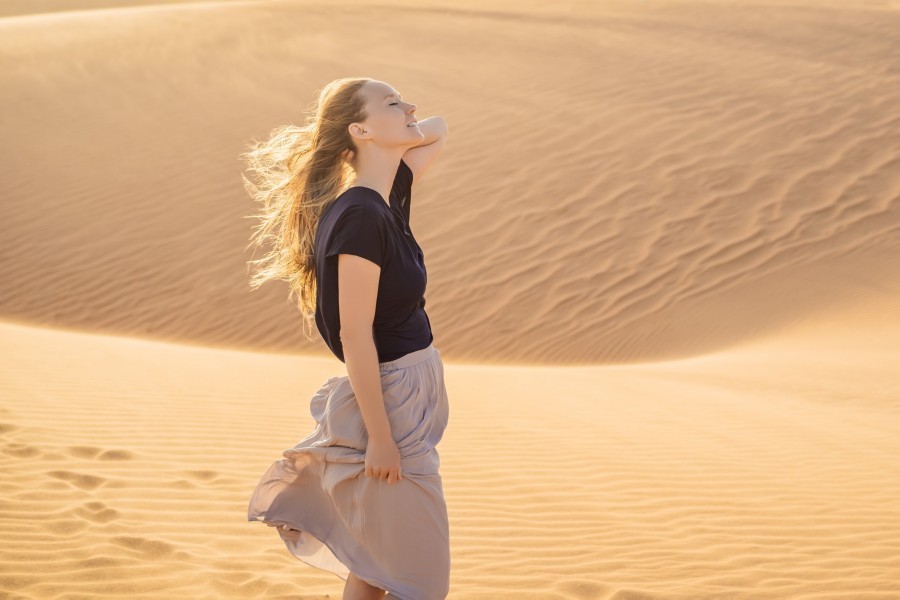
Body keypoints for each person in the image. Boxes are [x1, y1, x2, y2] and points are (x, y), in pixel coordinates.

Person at [240, 77, 451, 600]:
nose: (411, 107)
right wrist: (380, 436)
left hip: (410, 396)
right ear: (360, 129)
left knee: (376, 564)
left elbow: (438, 130)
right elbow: (355, 334)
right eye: (393, 103)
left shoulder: (383, 196)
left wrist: (391, 126)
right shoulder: (358, 216)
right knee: (423, 583)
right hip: (391, 403)